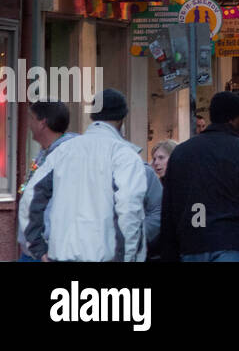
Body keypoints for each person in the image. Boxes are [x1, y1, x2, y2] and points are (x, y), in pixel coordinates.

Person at [18, 89, 148, 262]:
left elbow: (30, 197)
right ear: (122, 118)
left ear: (92, 115)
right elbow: (129, 210)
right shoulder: (125, 155)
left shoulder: (62, 151)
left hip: (61, 256)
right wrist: (128, 257)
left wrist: (38, 248)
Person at [157, 91, 239, 262]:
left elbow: (170, 208)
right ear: (231, 120)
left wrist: (169, 253)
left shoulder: (182, 153)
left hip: (192, 244)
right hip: (233, 243)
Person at [18, 101, 77, 261]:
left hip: (49, 252)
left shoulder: (68, 156)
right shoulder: (45, 153)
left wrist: (44, 250)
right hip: (33, 250)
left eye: (31, 118)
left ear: (42, 123)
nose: (29, 123)